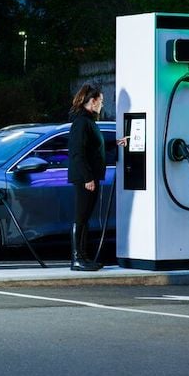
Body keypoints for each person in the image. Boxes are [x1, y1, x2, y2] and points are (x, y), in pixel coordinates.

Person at [68, 84, 126, 271]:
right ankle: (77, 258)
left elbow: (94, 150)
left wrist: (116, 145)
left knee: (84, 217)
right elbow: (78, 153)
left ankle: (83, 257)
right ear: (92, 102)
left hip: (90, 176)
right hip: (85, 178)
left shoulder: (88, 121)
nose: (102, 105)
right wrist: (87, 178)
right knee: (81, 217)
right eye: (100, 101)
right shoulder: (82, 122)